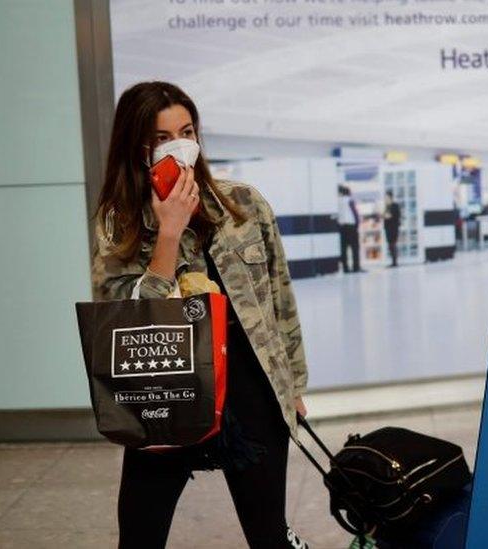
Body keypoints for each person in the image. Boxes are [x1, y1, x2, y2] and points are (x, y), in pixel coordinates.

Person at [90, 81, 310, 549]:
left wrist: (293, 386)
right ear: (136, 146)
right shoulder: (119, 222)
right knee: (140, 535)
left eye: (186, 131)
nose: (177, 146)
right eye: (160, 138)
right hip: (166, 393)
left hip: (252, 391)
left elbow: (279, 299)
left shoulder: (244, 204)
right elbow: (126, 324)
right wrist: (168, 232)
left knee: (268, 533)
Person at [338, 185, 363, 273]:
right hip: (351, 227)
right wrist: (357, 224)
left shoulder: (337, 201)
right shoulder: (349, 200)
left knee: (343, 248)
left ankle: (346, 268)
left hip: (341, 227)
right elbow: (355, 213)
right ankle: (356, 267)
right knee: (355, 247)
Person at [383, 191, 401, 267]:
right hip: (388, 228)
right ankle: (393, 261)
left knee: (393, 244)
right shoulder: (387, 206)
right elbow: (385, 216)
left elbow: (389, 216)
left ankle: (395, 262)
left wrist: (384, 215)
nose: (385, 199)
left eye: (386, 197)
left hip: (393, 228)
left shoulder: (395, 206)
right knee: (390, 245)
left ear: (390, 197)